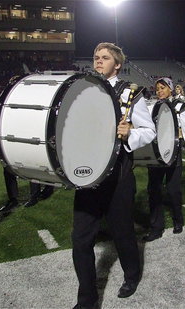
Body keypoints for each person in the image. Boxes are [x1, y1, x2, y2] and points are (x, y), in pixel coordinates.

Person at [71, 42, 155, 309]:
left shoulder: (131, 93)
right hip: (87, 174)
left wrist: (130, 133)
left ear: (117, 64)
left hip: (118, 173)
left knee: (122, 232)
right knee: (80, 239)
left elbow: (149, 130)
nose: (98, 61)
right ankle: (86, 300)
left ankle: (132, 275)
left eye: (105, 58)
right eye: (96, 57)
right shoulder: (83, 88)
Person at [143, 77, 185, 242]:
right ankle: (156, 227)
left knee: (173, 190)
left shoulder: (179, 107)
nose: (160, 91)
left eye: (163, 88)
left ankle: (178, 220)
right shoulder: (150, 107)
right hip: (155, 154)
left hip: (173, 154)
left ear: (170, 89)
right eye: (157, 88)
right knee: (153, 190)